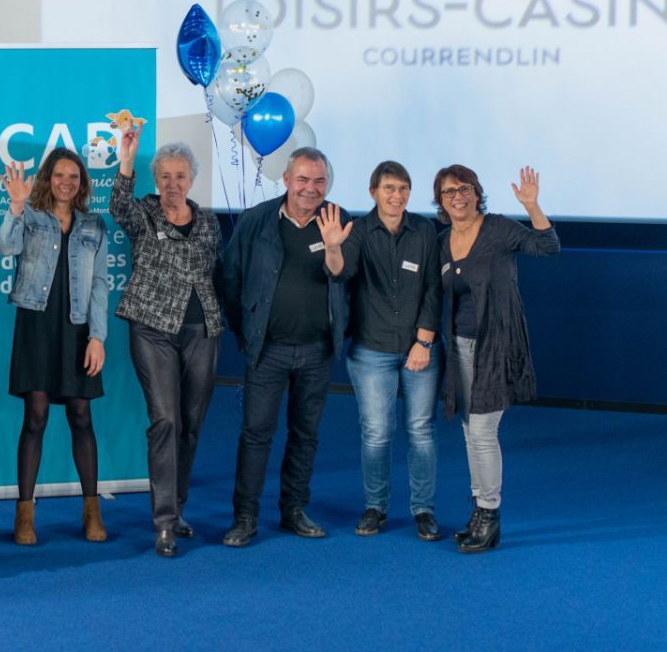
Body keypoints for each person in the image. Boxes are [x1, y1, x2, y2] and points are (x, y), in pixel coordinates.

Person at [221, 147, 350, 547]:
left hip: (316, 351)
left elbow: (346, 278)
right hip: (268, 349)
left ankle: (294, 509)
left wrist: (333, 246)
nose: (311, 188)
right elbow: (230, 279)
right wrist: (246, 330)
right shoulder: (256, 220)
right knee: (256, 434)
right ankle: (245, 516)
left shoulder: (340, 220)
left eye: (319, 181)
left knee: (305, 434)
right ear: (287, 180)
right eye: (303, 179)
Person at [109, 129, 223, 558]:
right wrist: (127, 159)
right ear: (155, 180)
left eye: (180, 176)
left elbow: (217, 272)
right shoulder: (144, 213)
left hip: (201, 333)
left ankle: (178, 510)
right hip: (153, 329)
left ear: (192, 179)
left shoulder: (208, 222)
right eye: (165, 176)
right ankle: (162, 523)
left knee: (191, 424)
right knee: (166, 421)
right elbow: (117, 205)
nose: (173, 184)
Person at [434, 164, 559, 553]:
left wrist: (532, 206)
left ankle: (489, 514)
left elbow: (547, 246)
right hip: (458, 347)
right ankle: (479, 511)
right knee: (470, 430)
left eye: (465, 189)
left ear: (477, 193)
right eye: (449, 191)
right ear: (440, 200)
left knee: (483, 433)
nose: (458, 197)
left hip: (496, 345)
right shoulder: (442, 241)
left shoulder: (499, 228)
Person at [318, 161, 443, 540]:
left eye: (403, 188)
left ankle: (423, 509)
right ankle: (376, 507)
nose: (397, 195)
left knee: (420, 431)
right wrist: (332, 247)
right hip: (371, 351)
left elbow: (433, 288)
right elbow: (339, 272)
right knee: (376, 433)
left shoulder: (424, 230)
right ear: (373, 192)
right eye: (389, 188)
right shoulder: (358, 230)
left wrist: (424, 342)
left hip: (420, 349)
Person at [0, 149, 109, 545]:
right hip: (36, 325)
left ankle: (92, 511)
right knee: (36, 417)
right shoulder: (30, 216)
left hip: (78, 329)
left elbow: (99, 284)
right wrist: (16, 205)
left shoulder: (94, 225)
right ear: (48, 178)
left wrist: (98, 337)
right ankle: (24, 515)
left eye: (74, 177)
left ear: (82, 183)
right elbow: (5, 246)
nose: (66, 182)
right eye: (59, 175)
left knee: (81, 415)